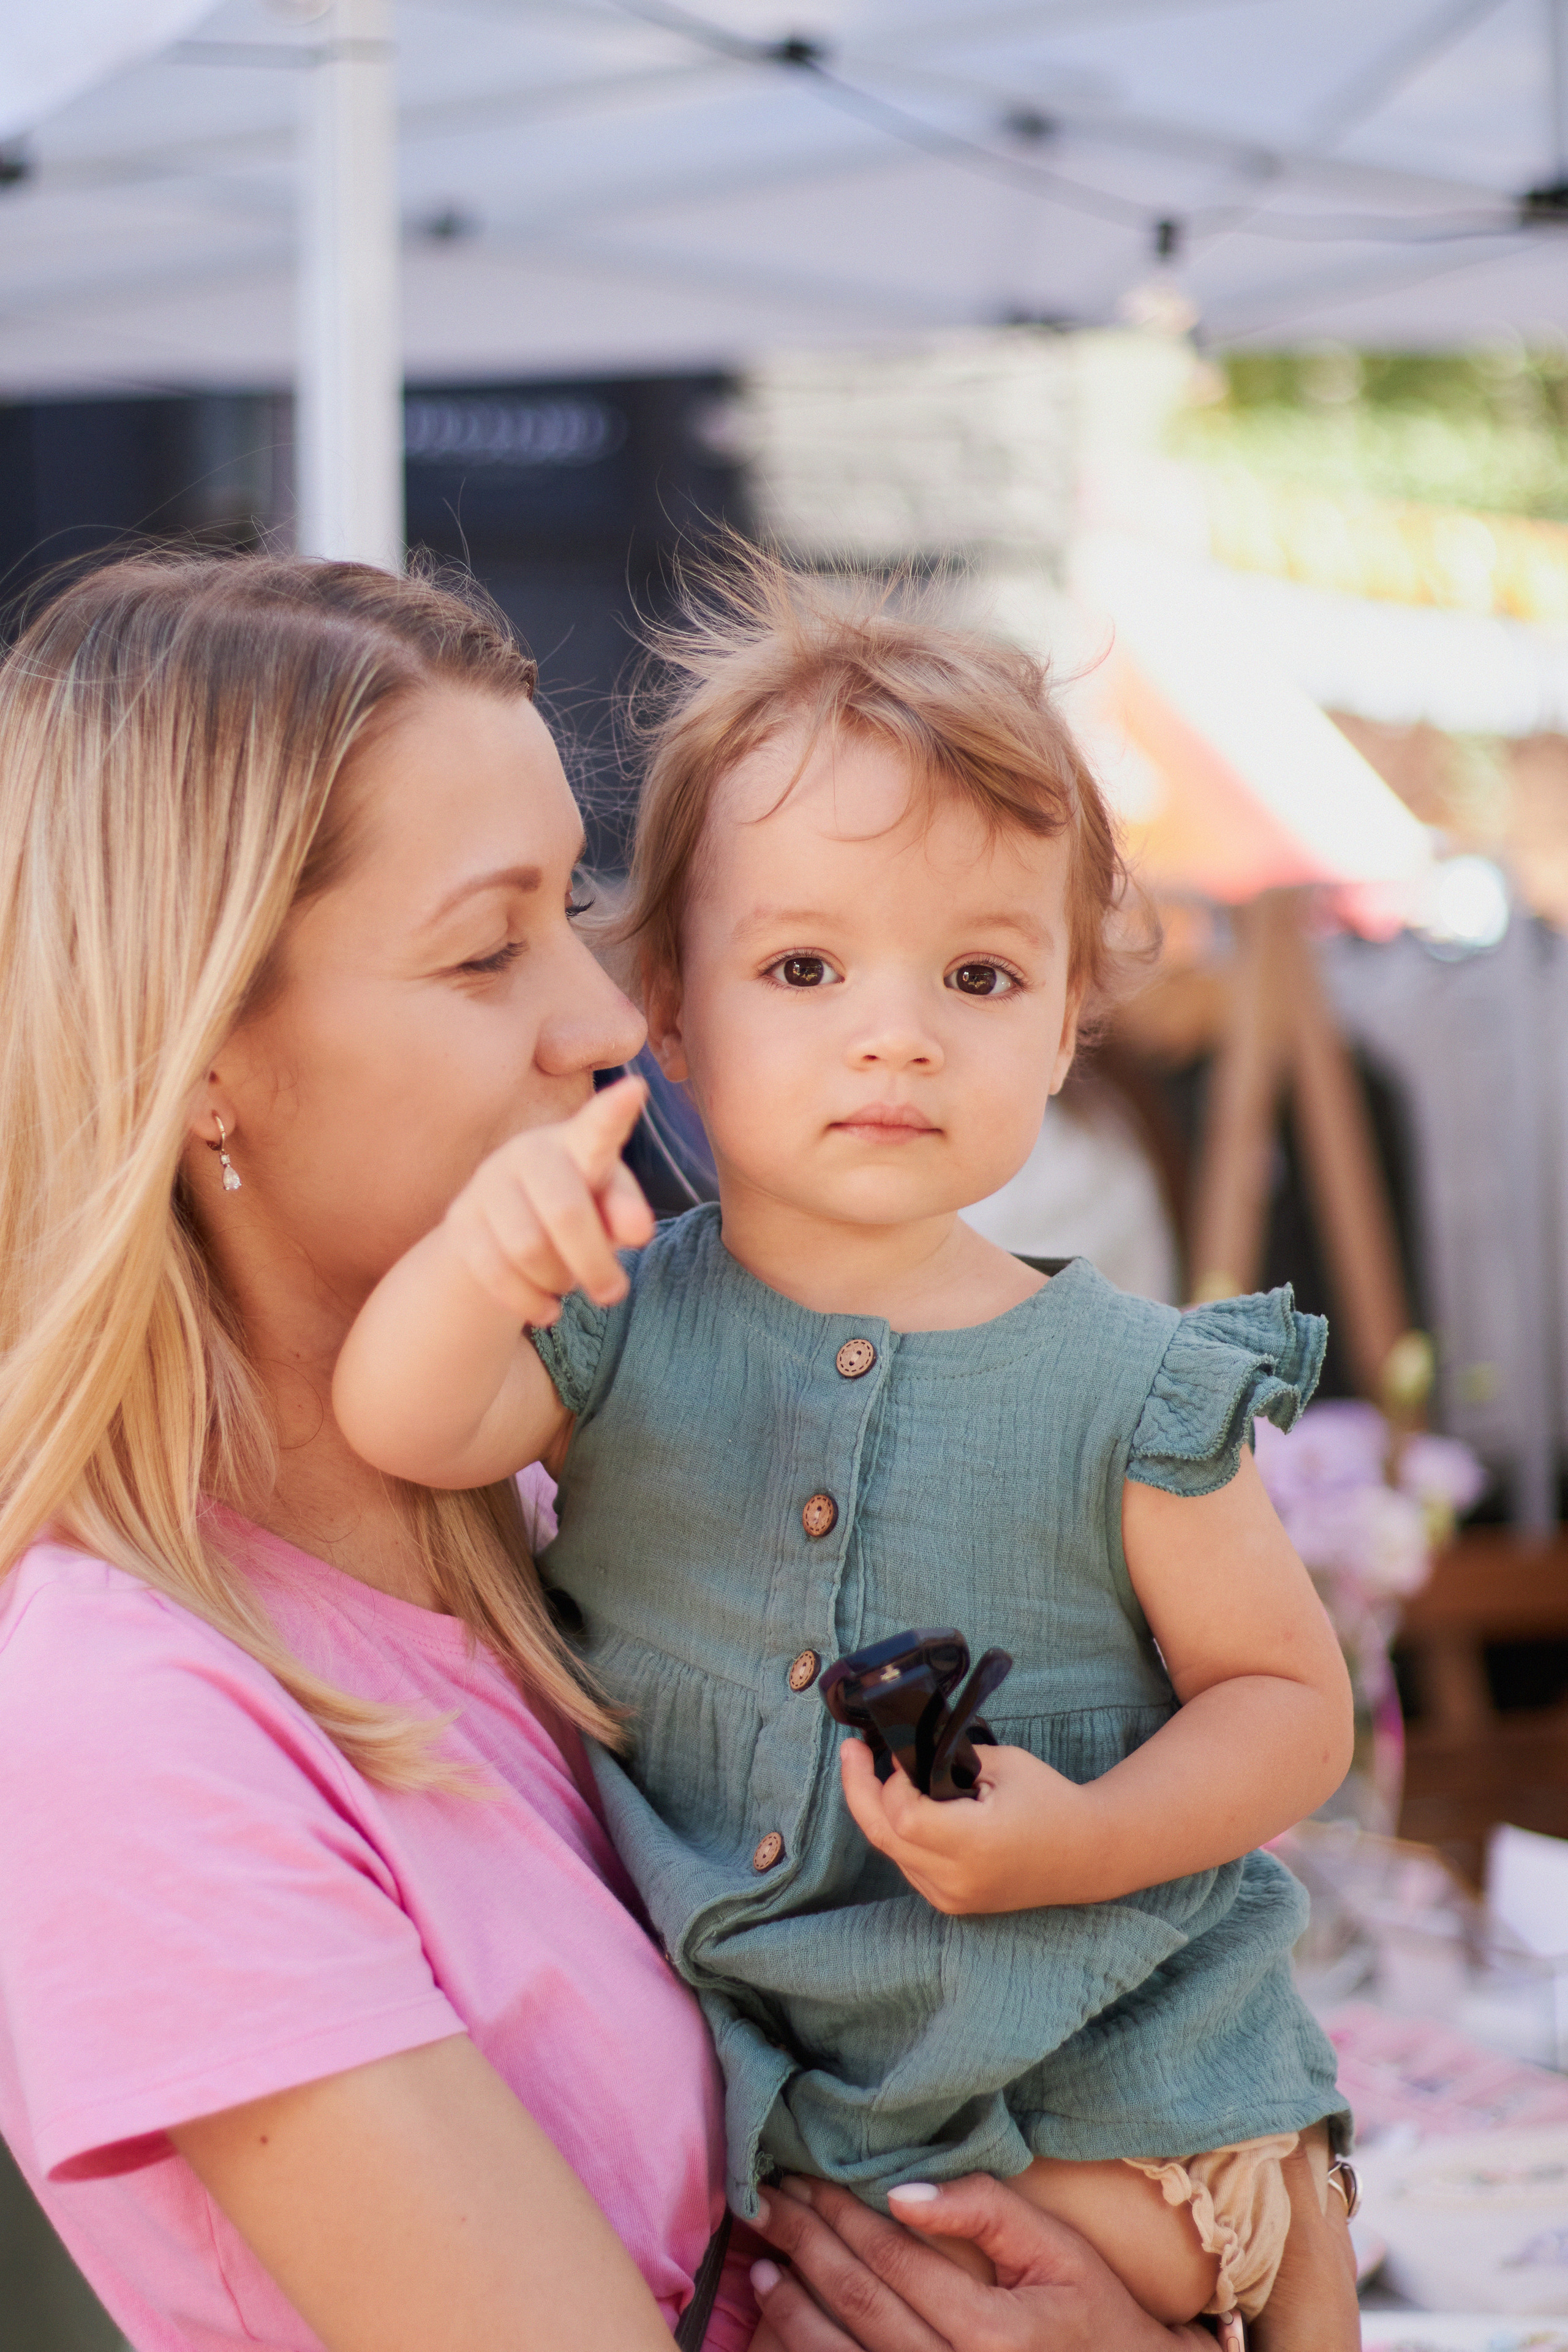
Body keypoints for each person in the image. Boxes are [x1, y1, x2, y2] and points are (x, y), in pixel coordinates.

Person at [0, 549, 1349, 2352]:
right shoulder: (122, 1728)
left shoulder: (562, 1496)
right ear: (208, 1057)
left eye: (582, 909)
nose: (610, 1015)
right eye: (492, 945)